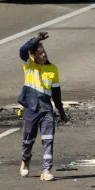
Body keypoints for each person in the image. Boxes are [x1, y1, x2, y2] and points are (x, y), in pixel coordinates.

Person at [18, 31, 68, 181]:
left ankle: (46, 170)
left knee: (48, 139)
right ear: (33, 55)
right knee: (28, 139)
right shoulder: (29, 65)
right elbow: (22, 50)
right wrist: (36, 39)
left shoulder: (53, 69)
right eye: (40, 52)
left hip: (46, 108)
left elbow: (56, 93)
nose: (44, 55)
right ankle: (25, 161)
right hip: (30, 107)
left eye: (44, 52)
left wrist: (61, 111)